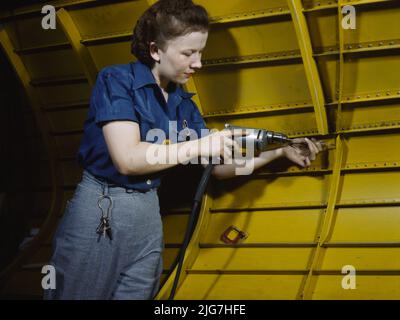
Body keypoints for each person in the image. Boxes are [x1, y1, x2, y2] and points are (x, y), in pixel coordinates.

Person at [44, 0, 322, 300]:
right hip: (103, 206)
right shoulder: (116, 81)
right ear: (155, 50)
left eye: (200, 52)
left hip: (148, 214)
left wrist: (277, 154)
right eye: (188, 53)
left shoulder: (183, 104)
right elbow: (128, 159)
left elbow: (217, 169)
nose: (198, 63)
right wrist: (199, 144)